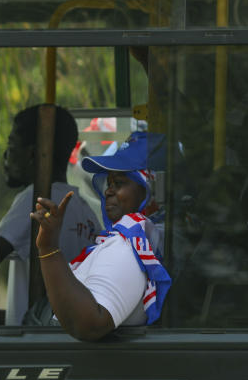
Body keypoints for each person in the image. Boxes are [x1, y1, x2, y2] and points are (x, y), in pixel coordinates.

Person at [30, 131, 171, 340]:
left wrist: (49, 249)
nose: (108, 191)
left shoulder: (127, 247)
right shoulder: (135, 239)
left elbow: (89, 324)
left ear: (150, 190)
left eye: (120, 183)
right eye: (110, 183)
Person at [0, 104, 100, 324]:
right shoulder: (86, 212)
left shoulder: (35, 199)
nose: (6, 155)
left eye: (12, 146)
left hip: (34, 336)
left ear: (33, 153)